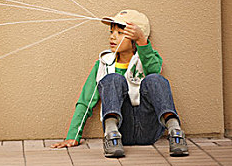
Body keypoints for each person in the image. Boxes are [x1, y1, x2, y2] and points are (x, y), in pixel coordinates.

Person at [51, 10, 189, 158]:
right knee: (113, 79)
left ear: (135, 38)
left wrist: (142, 41)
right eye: (111, 32)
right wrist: (73, 135)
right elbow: (86, 102)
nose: (112, 36)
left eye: (120, 33)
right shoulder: (104, 64)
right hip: (120, 132)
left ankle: (176, 133)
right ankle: (111, 135)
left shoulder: (148, 58)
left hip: (149, 129)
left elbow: (154, 69)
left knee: (155, 79)